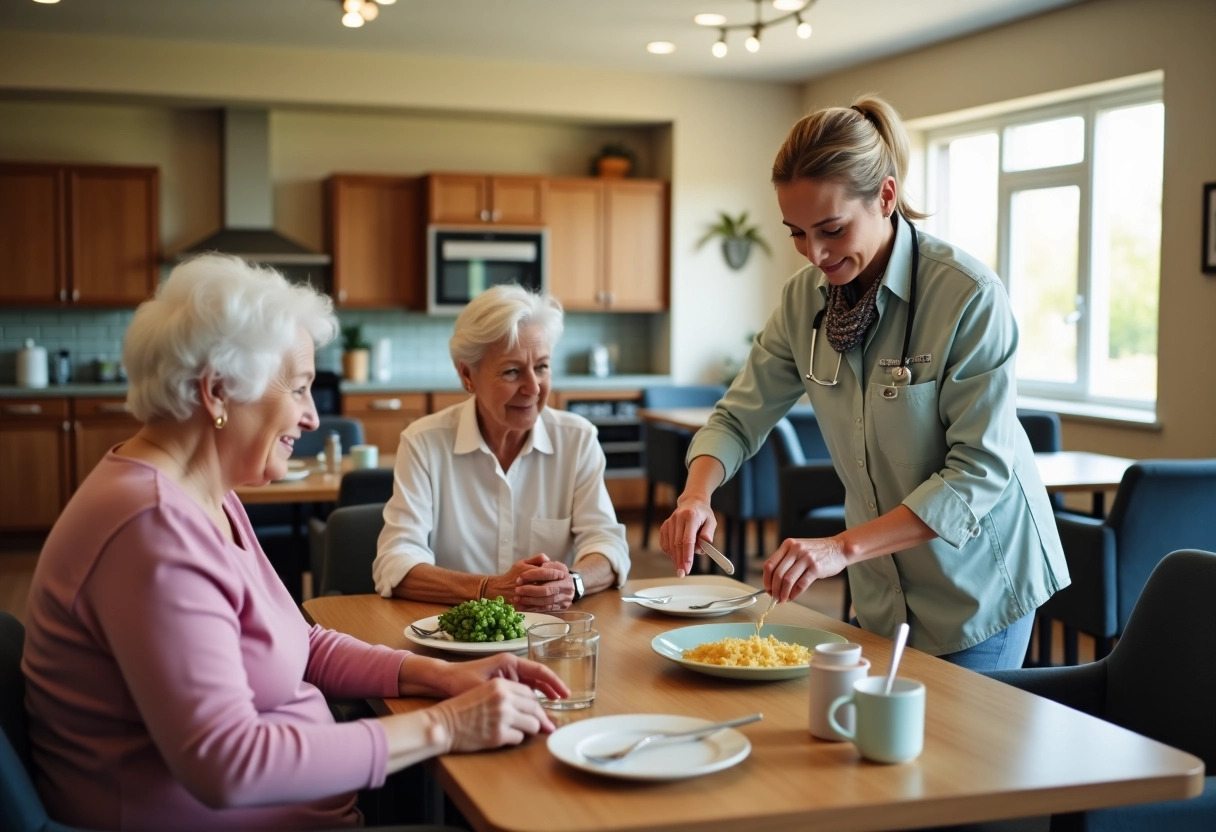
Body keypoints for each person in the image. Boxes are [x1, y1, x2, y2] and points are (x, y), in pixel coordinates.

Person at [21, 254, 567, 832]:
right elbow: (228, 764)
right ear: (218, 392)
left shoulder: (206, 495)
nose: (312, 418)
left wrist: (439, 674)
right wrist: (447, 726)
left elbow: (300, 644)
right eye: (301, 389)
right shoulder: (151, 528)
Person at [659, 95, 1069, 671]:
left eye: (831, 229)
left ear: (885, 196)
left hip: (977, 586)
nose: (816, 254)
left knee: (956, 757)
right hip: (882, 590)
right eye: (797, 233)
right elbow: (737, 417)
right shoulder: (804, 301)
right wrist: (695, 496)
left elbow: (980, 471)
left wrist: (839, 548)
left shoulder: (967, 295)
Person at [374, 284, 630, 610]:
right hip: (453, 639)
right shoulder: (424, 442)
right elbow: (395, 561)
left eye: (542, 367)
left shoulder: (577, 440)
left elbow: (608, 545)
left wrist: (572, 583)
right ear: (467, 375)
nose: (533, 387)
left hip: (549, 637)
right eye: (512, 371)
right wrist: (488, 589)